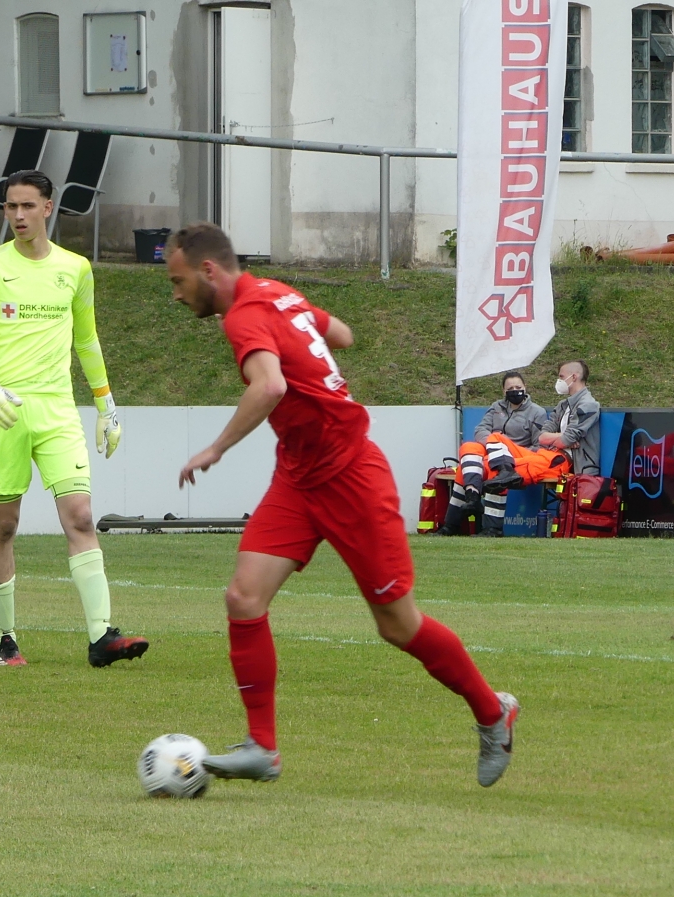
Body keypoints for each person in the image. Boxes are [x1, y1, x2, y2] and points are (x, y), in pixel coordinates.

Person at [168, 222, 518, 787]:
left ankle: (492, 712)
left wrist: (216, 448)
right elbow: (343, 334)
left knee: (398, 625)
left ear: (209, 270)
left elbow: (270, 387)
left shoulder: (242, 315)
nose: (176, 293)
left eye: (178, 280)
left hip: (351, 476)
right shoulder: (277, 294)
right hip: (299, 475)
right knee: (243, 597)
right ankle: (262, 747)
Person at [0, 170, 143, 669]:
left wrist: (106, 404)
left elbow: (86, 340)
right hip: (4, 411)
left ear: (48, 207)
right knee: (4, 526)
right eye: (10, 206)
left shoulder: (75, 268)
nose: (18, 215)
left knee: (80, 516)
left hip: (58, 410)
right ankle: (5, 639)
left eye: (27, 206)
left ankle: (101, 636)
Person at [443, 370, 550, 535]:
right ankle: (460, 513)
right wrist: (493, 446)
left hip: (519, 456)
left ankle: (492, 528)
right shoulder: (496, 407)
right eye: (510, 388)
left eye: (518, 387)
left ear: (525, 387)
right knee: (468, 449)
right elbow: (480, 430)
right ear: (503, 391)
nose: (515, 391)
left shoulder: (537, 412)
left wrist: (501, 444)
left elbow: (539, 446)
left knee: (495, 457)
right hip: (492, 453)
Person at [539, 359, 602, 474]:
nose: (559, 381)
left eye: (561, 377)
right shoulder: (562, 405)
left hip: (581, 472)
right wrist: (562, 436)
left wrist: (560, 439)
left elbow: (564, 441)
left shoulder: (588, 405)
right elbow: (542, 438)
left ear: (574, 377)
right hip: (558, 464)